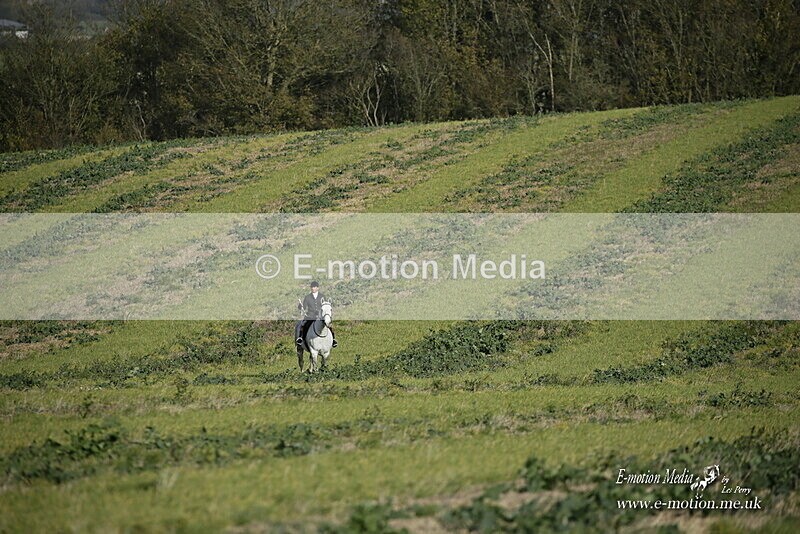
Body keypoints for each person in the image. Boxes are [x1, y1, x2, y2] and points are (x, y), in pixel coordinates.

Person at [295, 280, 337, 348]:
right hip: (310, 316)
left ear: (318, 288)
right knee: (303, 324)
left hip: (320, 316)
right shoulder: (307, 297)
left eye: (314, 287)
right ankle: (300, 338)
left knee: (329, 325)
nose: (313, 288)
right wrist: (300, 306)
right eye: (312, 287)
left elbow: (325, 306)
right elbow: (304, 307)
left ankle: (333, 340)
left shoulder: (322, 296)